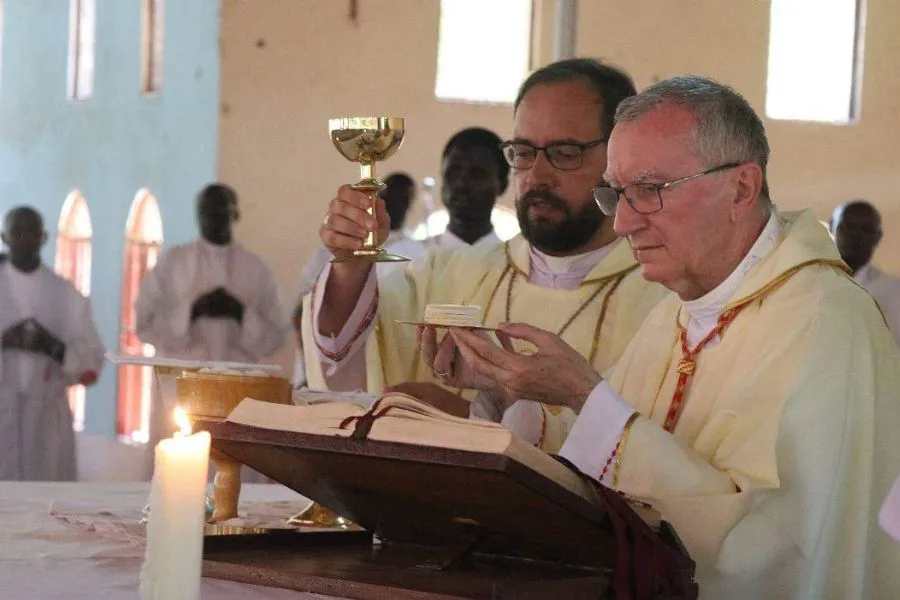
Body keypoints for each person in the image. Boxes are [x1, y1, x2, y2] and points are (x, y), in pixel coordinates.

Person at [443, 76, 900, 597]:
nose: (622, 223)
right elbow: (600, 471)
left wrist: (584, 395)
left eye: (650, 191)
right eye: (615, 194)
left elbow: (761, 550)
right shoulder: (677, 310)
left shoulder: (823, 322)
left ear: (742, 187)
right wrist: (513, 391)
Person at [304, 58, 669, 452]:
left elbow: (651, 461)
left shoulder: (666, 302)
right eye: (524, 152)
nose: (537, 176)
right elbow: (350, 361)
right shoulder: (448, 275)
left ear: (619, 160)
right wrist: (352, 263)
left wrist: (469, 423)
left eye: (565, 153)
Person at [290, 172, 425, 387]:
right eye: (392, 194)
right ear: (380, 195)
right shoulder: (341, 243)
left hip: (383, 374)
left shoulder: (418, 253)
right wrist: (311, 365)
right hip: (322, 366)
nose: (397, 203)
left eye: (404, 198)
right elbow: (301, 308)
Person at [0, 206, 104, 480]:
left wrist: (53, 347)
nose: (24, 239)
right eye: (17, 232)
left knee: (44, 503)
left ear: (43, 237)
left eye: (32, 232)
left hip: (45, 418)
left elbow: (92, 362)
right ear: (4, 237)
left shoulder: (65, 294)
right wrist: (5, 339)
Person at [135, 183, 288, 363]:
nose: (211, 218)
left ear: (235, 214)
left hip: (238, 378)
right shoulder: (172, 263)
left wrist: (240, 313)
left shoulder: (256, 269)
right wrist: (192, 311)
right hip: (181, 377)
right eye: (205, 211)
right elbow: (144, 324)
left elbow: (276, 336)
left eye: (219, 210)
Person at [830, 199, 900, 345]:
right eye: (849, 226)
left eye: (866, 229)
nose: (856, 236)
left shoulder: (894, 293)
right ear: (832, 227)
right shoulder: (809, 283)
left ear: (878, 236)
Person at [427, 127, 509, 248]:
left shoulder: (515, 262)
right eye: (453, 172)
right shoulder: (412, 259)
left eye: (477, 174)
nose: (461, 184)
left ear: (502, 186)